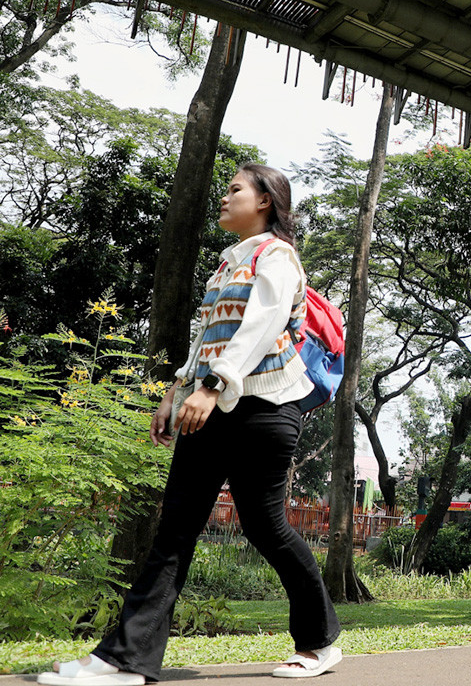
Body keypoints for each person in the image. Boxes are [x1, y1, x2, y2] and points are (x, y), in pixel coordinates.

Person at [39, 165, 341, 686]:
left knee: (266, 528)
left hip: (265, 408)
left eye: (234, 191)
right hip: (209, 403)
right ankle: (126, 660)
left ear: (265, 201)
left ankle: (317, 642)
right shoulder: (226, 264)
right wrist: (177, 391)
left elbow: (261, 325)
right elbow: (207, 337)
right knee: (175, 529)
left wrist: (213, 385)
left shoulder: (277, 256)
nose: (224, 199)